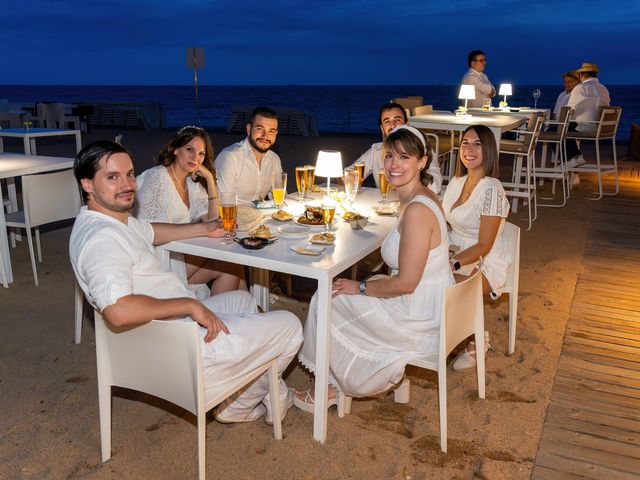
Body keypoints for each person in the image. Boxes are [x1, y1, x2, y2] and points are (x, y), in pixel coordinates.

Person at [70, 140, 302, 423]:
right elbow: (118, 311)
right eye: (112, 177)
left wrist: (204, 228)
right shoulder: (101, 240)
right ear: (88, 185)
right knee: (290, 326)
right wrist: (190, 305)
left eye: (130, 174)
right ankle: (240, 406)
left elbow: (152, 231)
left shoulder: (110, 221)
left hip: (168, 331)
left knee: (243, 300)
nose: (127, 184)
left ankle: (254, 392)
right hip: (178, 345)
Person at [294, 125, 454, 407]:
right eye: (390, 156)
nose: (394, 165)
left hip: (419, 317)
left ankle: (328, 390)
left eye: (405, 157)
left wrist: (360, 286)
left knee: (326, 298)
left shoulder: (417, 211)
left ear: (423, 162)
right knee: (345, 293)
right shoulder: (422, 197)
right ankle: (340, 380)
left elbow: (406, 283)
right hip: (429, 302)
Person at [135, 126, 247, 297]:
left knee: (232, 266)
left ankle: (231, 316)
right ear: (175, 149)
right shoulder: (156, 178)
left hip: (179, 254)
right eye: (190, 150)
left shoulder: (191, 184)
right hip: (158, 260)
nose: (196, 157)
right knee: (230, 258)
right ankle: (241, 314)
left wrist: (209, 179)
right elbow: (143, 232)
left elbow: (213, 219)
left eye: (201, 153)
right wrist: (208, 229)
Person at [441, 125, 511, 372]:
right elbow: (443, 219)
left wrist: (450, 263)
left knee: (443, 283)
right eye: (465, 143)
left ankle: (476, 337)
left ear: (488, 150)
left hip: (485, 259)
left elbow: (484, 244)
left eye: (477, 144)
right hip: (455, 248)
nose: (469, 149)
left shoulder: (492, 190)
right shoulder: (456, 182)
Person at [349, 102, 443, 194]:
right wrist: (349, 178)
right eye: (387, 121)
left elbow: (435, 186)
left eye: (397, 120)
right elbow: (348, 172)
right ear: (382, 129)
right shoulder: (376, 151)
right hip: (384, 206)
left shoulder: (421, 149)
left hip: (412, 203)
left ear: (407, 124)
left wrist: (404, 183)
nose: (393, 125)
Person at [214, 106, 282, 204]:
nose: (265, 136)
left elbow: (278, 199)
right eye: (259, 128)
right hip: (233, 217)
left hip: (261, 216)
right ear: (249, 129)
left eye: (271, 131)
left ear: (276, 134)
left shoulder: (274, 159)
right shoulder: (230, 157)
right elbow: (222, 203)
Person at [565, 62, 611, 183]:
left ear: (581, 75)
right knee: (566, 128)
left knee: (555, 130)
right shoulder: (604, 89)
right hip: (601, 128)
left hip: (584, 128)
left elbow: (569, 110)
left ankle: (573, 158)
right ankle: (574, 159)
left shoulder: (580, 88)